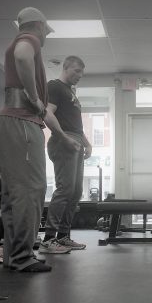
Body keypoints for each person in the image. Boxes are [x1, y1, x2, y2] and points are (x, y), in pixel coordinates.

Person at [0, 7, 80, 272]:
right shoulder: (28, 39)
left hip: (19, 121)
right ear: (40, 27)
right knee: (30, 189)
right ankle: (21, 256)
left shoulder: (24, 43)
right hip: (21, 121)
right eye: (46, 31)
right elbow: (22, 57)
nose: (45, 37)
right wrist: (32, 96)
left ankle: (13, 255)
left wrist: (63, 137)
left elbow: (43, 112)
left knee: (14, 192)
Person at [40, 56, 91, 253]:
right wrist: (63, 138)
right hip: (64, 141)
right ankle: (49, 238)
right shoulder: (55, 86)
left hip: (75, 140)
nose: (79, 76)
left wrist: (86, 143)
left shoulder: (71, 92)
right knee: (64, 189)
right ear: (66, 67)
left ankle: (63, 236)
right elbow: (48, 113)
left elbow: (76, 125)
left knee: (76, 191)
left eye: (81, 73)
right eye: (76, 71)